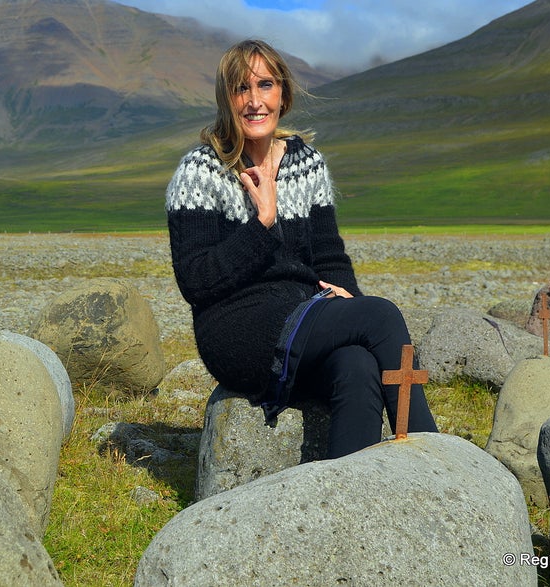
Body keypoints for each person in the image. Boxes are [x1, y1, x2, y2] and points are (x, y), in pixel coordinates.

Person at [166, 39, 437, 458]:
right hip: (235, 326)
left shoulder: (306, 162)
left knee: (357, 365)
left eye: (266, 85)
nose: (254, 101)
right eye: (241, 89)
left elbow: (330, 258)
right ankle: (432, 458)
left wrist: (347, 301)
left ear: (284, 95)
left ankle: (351, 495)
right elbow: (196, 281)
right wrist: (262, 224)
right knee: (381, 315)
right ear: (226, 99)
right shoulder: (201, 170)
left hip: (302, 315)